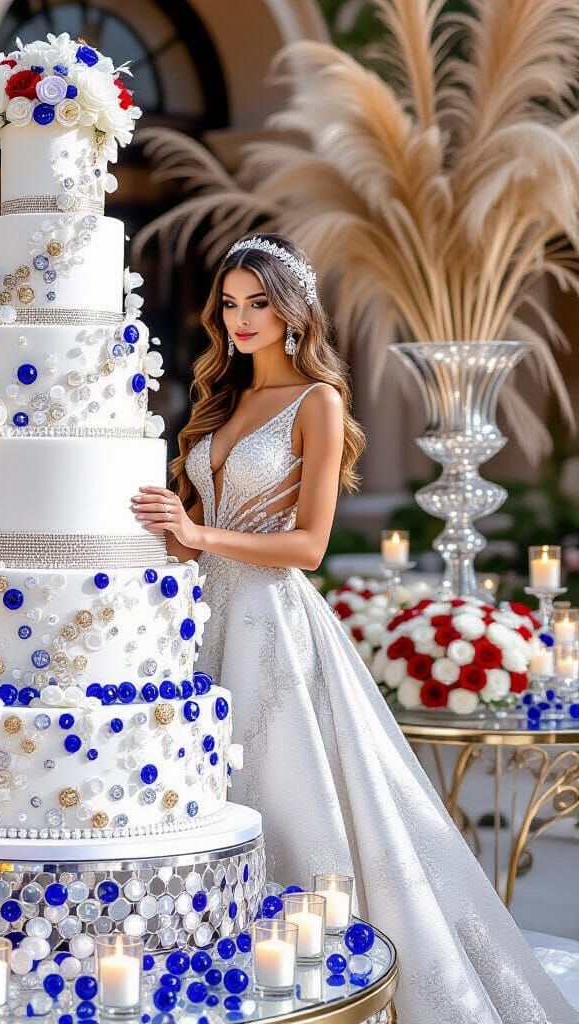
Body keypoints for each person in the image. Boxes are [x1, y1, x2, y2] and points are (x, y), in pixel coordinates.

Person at [131, 233, 577, 1024]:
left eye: (258, 302)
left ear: (292, 310)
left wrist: (200, 537)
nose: (241, 318)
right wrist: (169, 528)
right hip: (201, 617)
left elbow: (308, 546)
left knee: (286, 786)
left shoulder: (319, 402)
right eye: (230, 304)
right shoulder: (221, 403)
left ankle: (313, 971)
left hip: (273, 621)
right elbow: (193, 533)